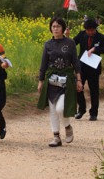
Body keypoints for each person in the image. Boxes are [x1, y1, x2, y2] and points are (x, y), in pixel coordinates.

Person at [38, 17, 82, 147]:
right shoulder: (48, 44)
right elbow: (43, 64)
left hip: (66, 79)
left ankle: (67, 126)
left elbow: (76, 62)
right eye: (53, 26)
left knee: (61, 108)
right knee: (52, 109)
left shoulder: (70, 43)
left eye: (58, 26)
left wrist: (79, 79)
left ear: (63, 28)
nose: (55, 29)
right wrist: (40, 81)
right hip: (51, 79)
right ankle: (56, 137)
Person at [70, 18, 104, 121]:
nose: (90, 32)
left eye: (92, 30)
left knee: (94, 91)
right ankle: (81, 109)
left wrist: (95, 49)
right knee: (78, 88)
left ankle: (93, 113)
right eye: (88, 30)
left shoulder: (101, 38)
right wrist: (67, 36)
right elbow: (72, 43)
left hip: (93, 68)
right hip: (81, 67)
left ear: (95, 29)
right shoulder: (81, 35)